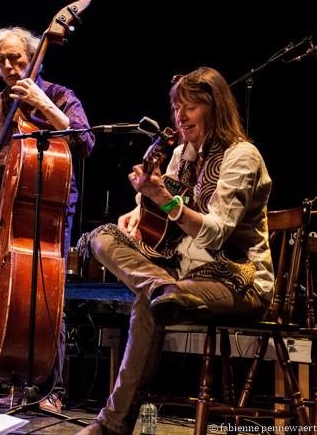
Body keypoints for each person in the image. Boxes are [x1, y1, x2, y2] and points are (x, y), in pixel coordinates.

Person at [75, 66, 273, 434]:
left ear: (215, 108)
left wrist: (163, 198)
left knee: (149, 302)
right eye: (176, 108)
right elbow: (161, 209)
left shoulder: (242, 157)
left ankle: (111, 426)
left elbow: (215, 234)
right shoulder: (182, 153)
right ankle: (161, 287)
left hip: (237, 280)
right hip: (180, 275)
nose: (180, 117)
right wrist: (139, 209)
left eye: (191, 107)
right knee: (102, 238)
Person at [0, 26, 95, 413]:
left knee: (49, 294)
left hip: (51, 210)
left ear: (35, 57)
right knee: (9, 296)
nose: (8, 65)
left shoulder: (60, 96)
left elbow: (85, 142)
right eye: (1, 60)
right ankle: (10, 377)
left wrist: (44, 105)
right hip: (10, 210)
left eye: (16, 57)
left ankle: (53, 387)